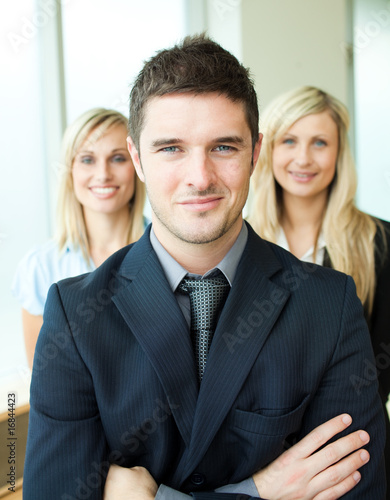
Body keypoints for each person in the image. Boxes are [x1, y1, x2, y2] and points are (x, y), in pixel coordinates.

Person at [23, 35, 386, 499]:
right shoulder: (74, 314)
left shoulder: (328, 305)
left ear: (255, 153)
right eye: (171, 148)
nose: (199, 177)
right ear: (138, 158)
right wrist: (259, 492)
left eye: (223, 148)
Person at [246, 85, 390, 490]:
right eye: (289, 141)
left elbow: (380, 366)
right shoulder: (237, 241)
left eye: (320, 143)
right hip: (255, 462)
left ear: (339, 152)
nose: (304, 158)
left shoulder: (379, 243)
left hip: (351, 452)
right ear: (266, 150)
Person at [12, 108, 146, 368]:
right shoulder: (40, 267)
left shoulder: (171, 251)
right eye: (87, 160)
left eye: (118, 158)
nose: (103, 174)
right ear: (70, 172)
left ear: (137, 165)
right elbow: (42, 378)